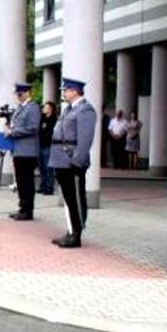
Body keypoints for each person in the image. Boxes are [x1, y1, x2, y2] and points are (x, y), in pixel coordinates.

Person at [49, 77, 97, 248]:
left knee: (75, 198)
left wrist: (77, 161)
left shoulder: (85, 110)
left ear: (75, 91)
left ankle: (76, 234)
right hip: (61, 160)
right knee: (69, 198)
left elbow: (85, 140)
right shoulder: (69, 109)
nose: (64, 93)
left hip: (71, 161)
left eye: (66, 90)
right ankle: (71, 230)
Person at [4, 82, 41, 220]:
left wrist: (13, 132)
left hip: (28, 151)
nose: (18, 97)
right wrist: (8, 127)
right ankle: (22, 207)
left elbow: (32, 128)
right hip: (19, 150)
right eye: (17, 94)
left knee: (27, 182)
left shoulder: (32, 108)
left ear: (27, 93)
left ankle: (28, 210)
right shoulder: (21, 108)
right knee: (20, 181)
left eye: (20, 94)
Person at [38, 101, 57, 195]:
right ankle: (43, 186)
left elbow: (50, 133)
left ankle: (49, 188)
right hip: (40, 145)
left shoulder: (54, 120)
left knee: (48, 167)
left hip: (49, 146)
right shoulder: (42, 119)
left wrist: (43, 136)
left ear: (50, 109)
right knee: (41, 167)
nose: (43, 109)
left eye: (45, 107)